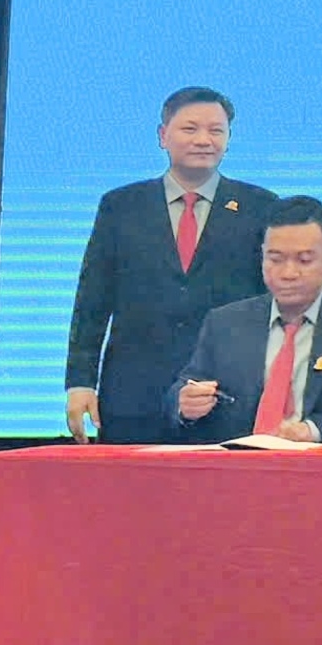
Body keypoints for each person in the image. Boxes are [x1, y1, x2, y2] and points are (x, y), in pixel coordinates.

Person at [65, 87, 275, 444]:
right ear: (163, 136)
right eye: (190, 129)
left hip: (225, 395)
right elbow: (92, 301)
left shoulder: (261, 207)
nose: (204, 140)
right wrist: (80, 382)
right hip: (133, 395)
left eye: (216, 130)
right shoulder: (121, 206)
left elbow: (271, 303)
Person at [168, 196, 322, 444]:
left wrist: (312, 431)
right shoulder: (225, 324)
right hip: (237, 462)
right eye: (275, 259)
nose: (288, 273)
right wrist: (184, 404)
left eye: (304, 260)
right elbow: (185, 386)